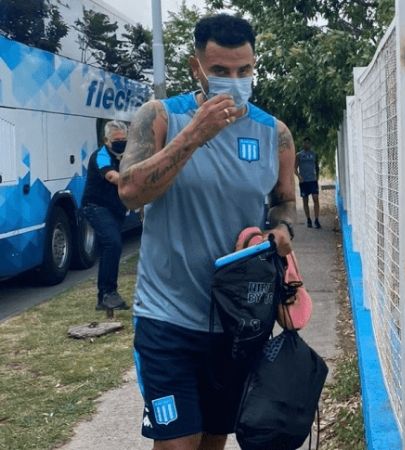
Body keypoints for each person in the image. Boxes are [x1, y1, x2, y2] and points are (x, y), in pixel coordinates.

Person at [117, 14, 296, 450]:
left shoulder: (275, 133)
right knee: (178, 443)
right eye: (220, 71)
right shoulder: (161, 117)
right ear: (197, 67)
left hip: (238, 321)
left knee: (214, 440)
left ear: (254, 66)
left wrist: (281, 228)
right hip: (168, 318)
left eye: (243, 71)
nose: (233, 81)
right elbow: (129, 192)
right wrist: (195, 134)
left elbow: (284, 199)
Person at [81, 120, 130, 311]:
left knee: (111, 247)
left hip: (116, 208)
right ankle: (108, 293)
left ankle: (105, 295)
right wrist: (136, 181)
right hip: (96, 206)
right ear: (106, 140)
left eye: (123, 139)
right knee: (113, 243)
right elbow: (112, 177)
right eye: (116, 140)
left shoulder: (128, 154)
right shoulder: (100, 156)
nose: (120, 142)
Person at [296, 137, 321, 228]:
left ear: (310, 144)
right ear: (303, 144)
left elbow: (317, 166)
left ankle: (317, 220)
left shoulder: (314, 154)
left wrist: (317, 176)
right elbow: (295, 168)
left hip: (312, 181)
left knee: (315, 199)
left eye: (308, 143)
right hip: (304, 182)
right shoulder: (299, 155)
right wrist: (299, 177)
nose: (307, 144)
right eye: (305, 143)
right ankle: (308, 219)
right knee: (305, 201)